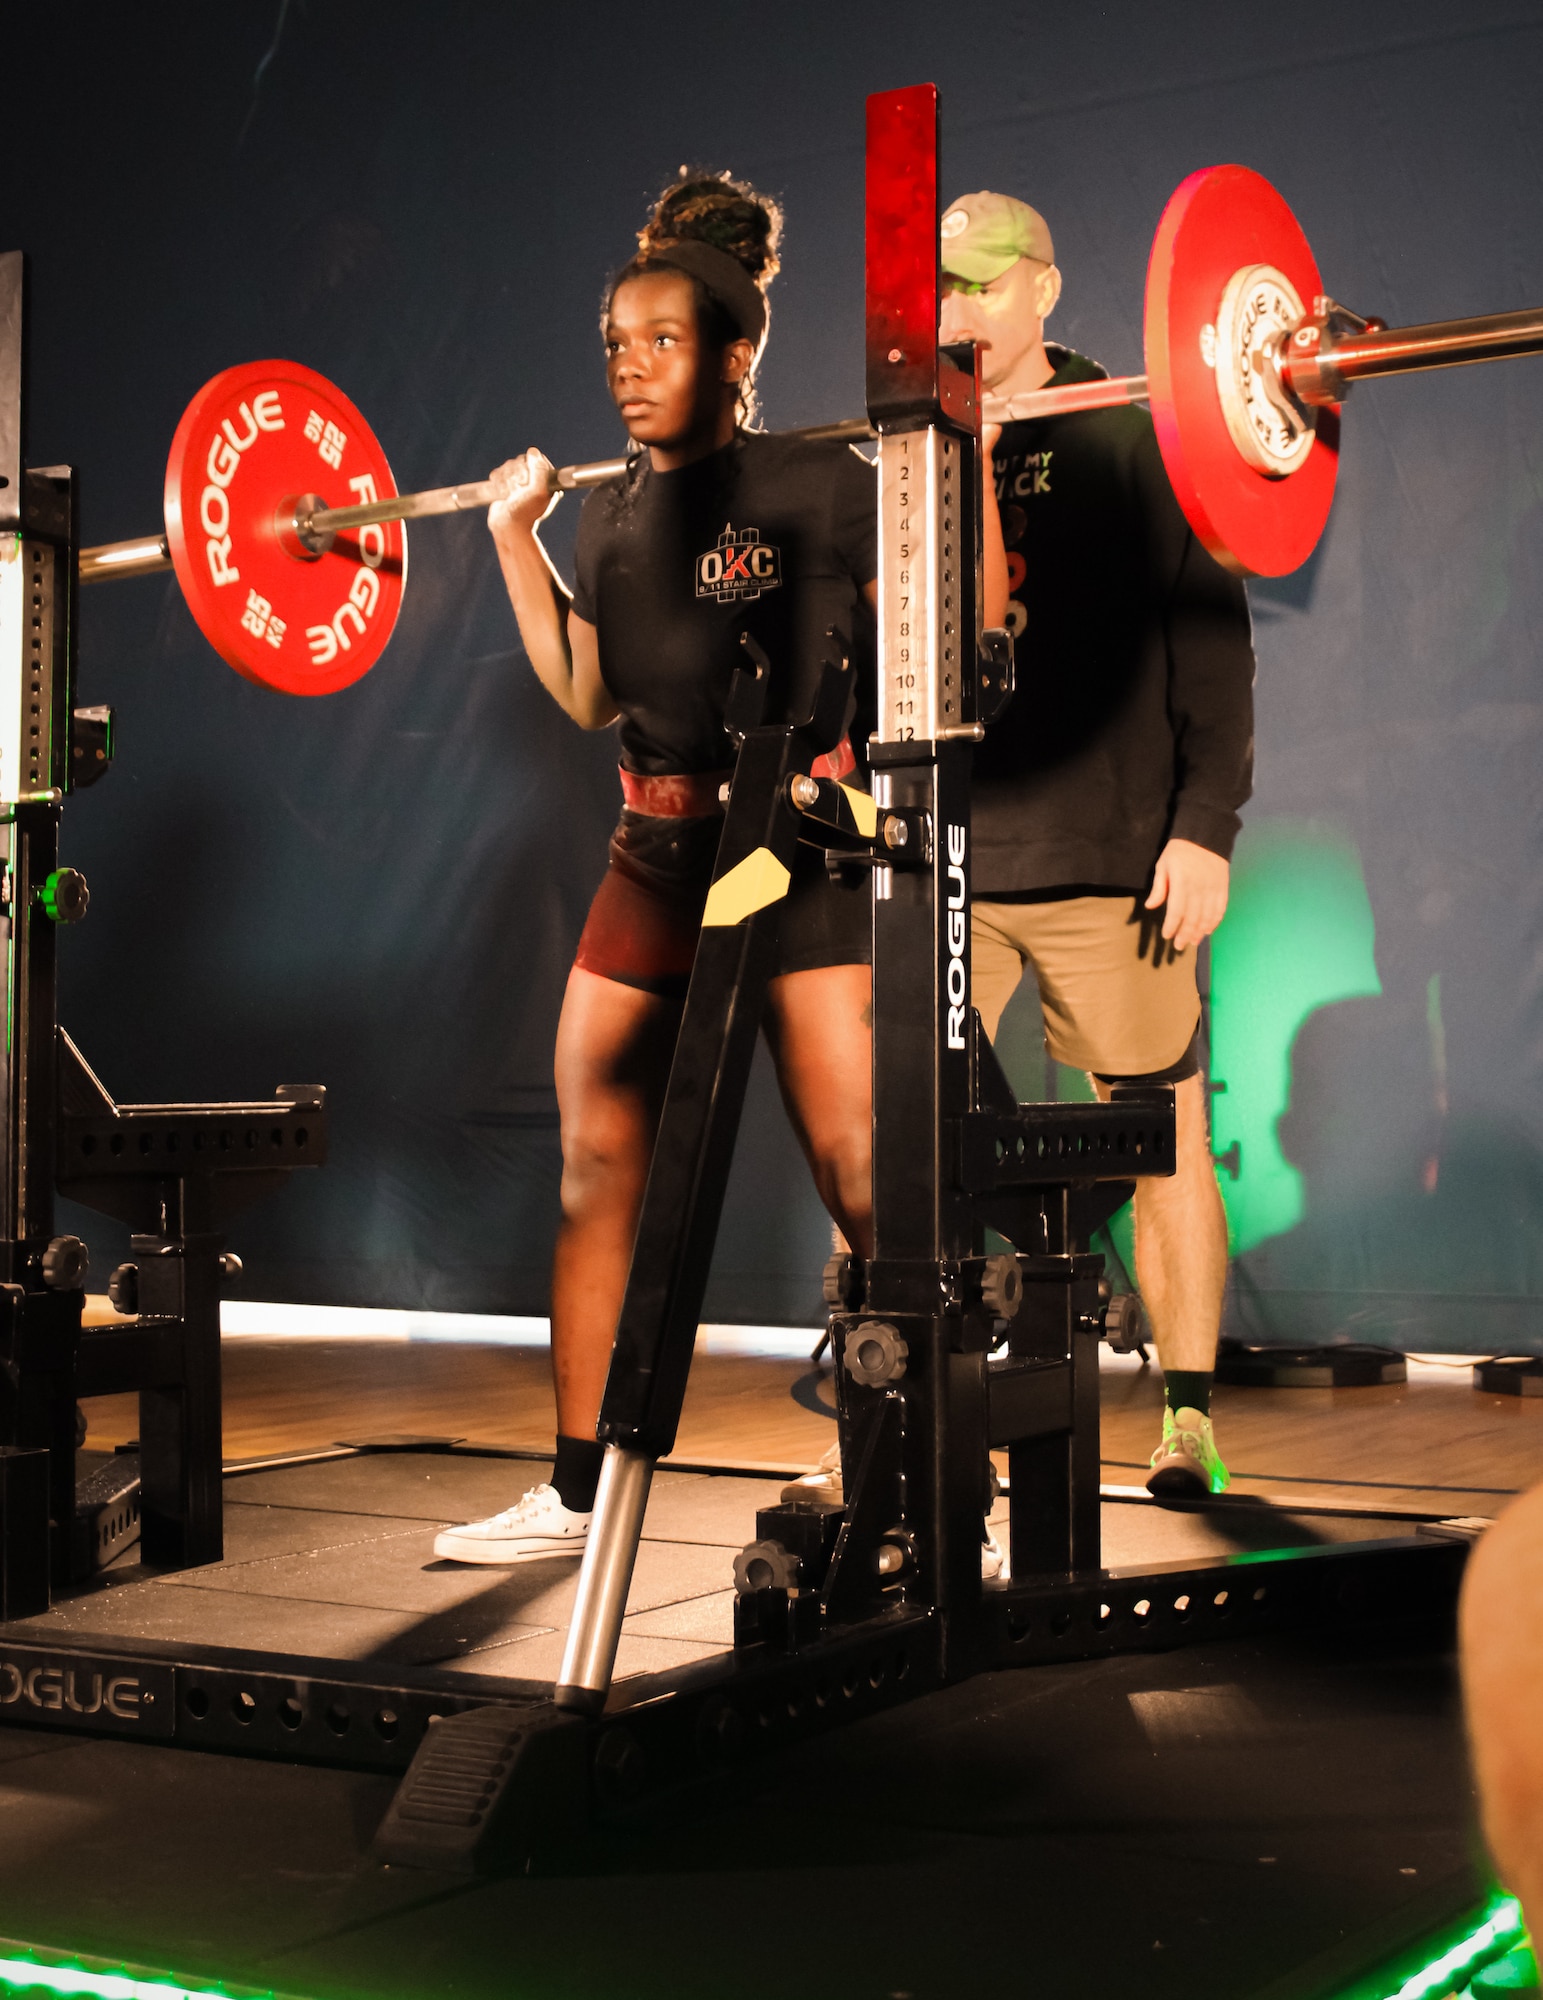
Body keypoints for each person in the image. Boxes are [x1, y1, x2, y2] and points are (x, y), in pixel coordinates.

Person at [433, 171, 879, 1563]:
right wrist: (514, 540)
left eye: (663, 341)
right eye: (616, 344)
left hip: (792, 853)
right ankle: (576, 1492)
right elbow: (584, 694)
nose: (630, 367)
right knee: (595, 1164)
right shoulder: (611, 516)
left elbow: (925, 664)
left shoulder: (825, 484)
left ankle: (931, 1476)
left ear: (737, 354)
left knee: (865, 1171)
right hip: (657, 852)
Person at [938, 190, 1256, 1500]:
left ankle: (1187, 1420)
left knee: (1162, 1129)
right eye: (945, 289)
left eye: (986, 284)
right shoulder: (916, 447)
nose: (962, 311)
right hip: (954, 856)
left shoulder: (1132, 427)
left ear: (1045, 290)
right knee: (902, 1130)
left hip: (1109, 852)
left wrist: (1204, 828)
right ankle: (916, 1426)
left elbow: (1211, 640)